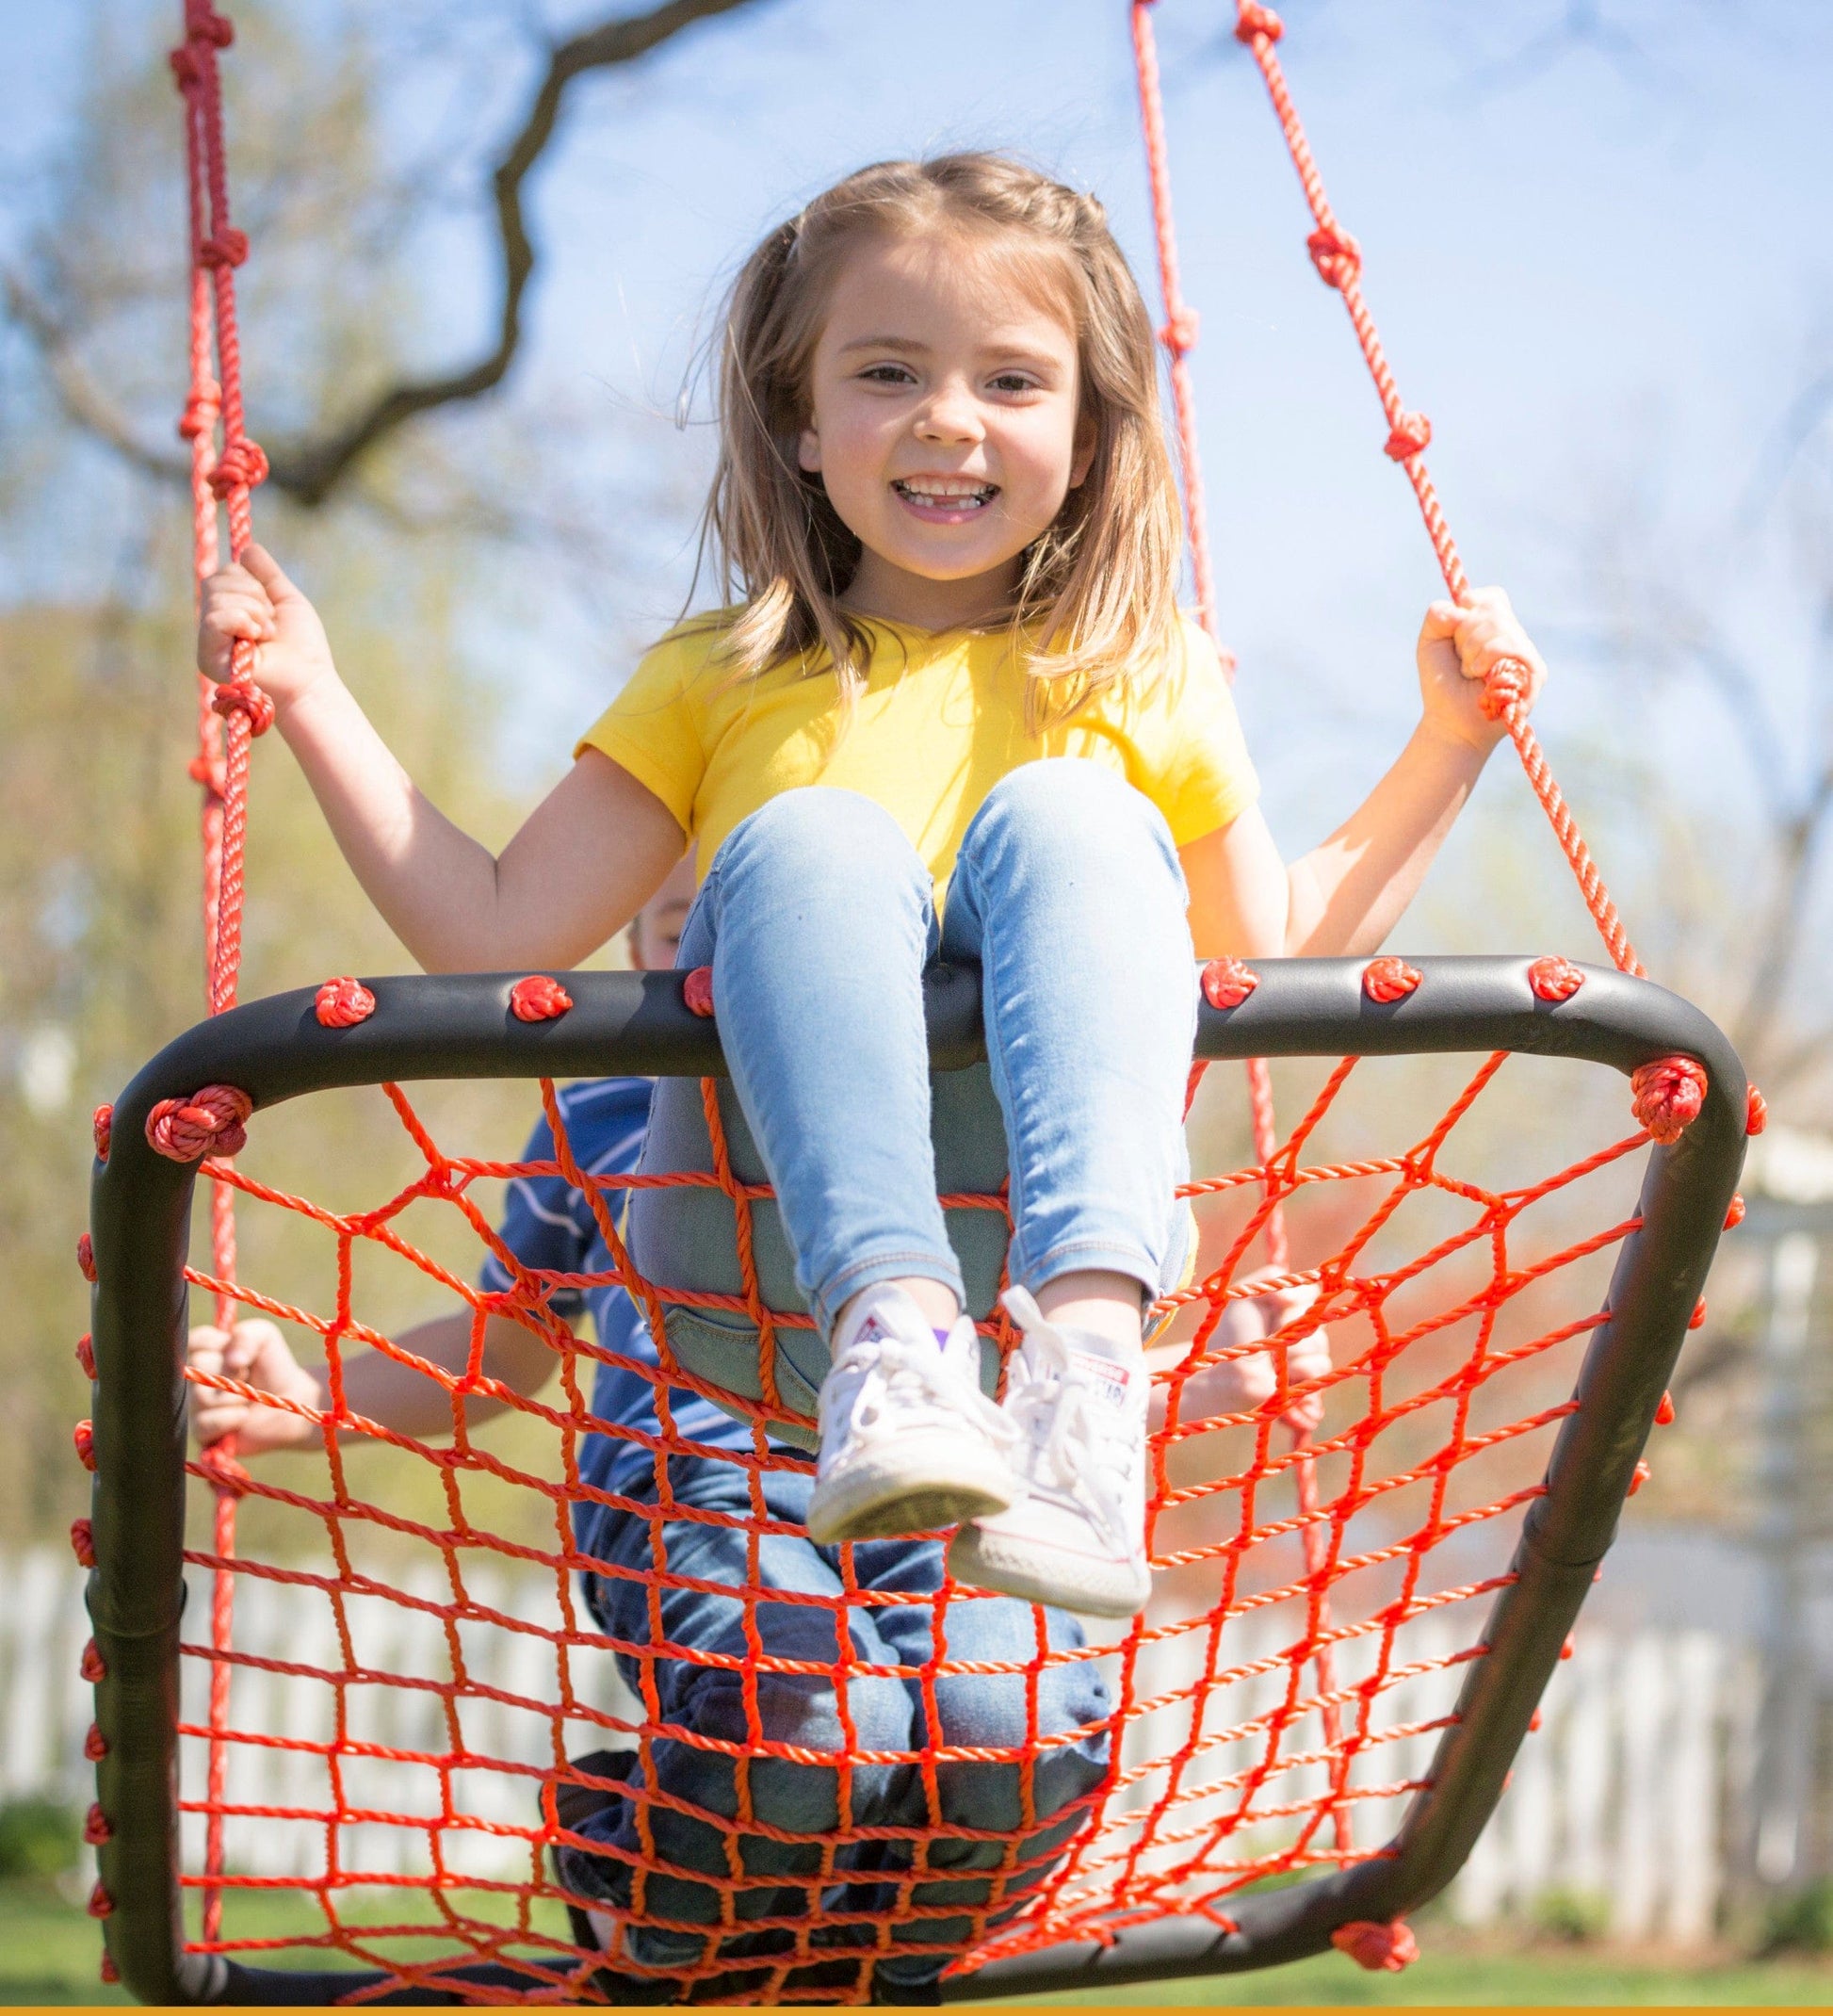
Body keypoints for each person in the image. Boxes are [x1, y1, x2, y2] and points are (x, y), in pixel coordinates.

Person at [196, 152, 1546, 1630]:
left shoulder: (1140, 667)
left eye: (1013, 381)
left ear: (1091, 437)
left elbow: (1270, 948)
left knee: (1072, 818)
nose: (948, 420)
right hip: (761, 1272)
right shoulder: (727, 677)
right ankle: (890, 1336)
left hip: (1031, 1253)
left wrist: (1447, 745)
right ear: (799, 419)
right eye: (888, 370)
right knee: (813, 842)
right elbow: (495, 931)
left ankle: (1086, 1379)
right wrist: (315, 696)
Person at [186, 873, 1114, 2002]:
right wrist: (323, 1396)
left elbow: (1067, 1297)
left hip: (940, 1472)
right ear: (638, 943)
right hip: (694, 1479)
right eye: (684, 928)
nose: (732, 964)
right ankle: (645, 1899)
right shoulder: (605, 1101)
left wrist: (1242, 1342)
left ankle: (872, 1944)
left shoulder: (946, 1073)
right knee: (807, 1716)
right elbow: (504, 1343)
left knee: (1009, 1723)